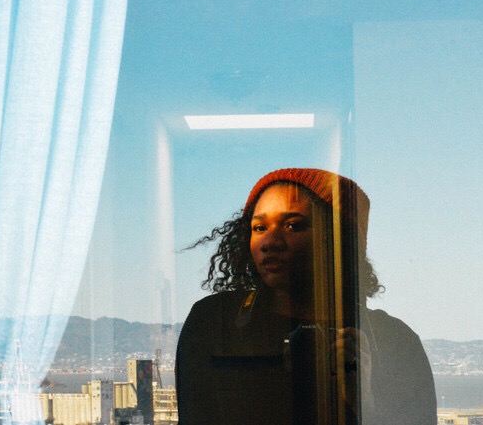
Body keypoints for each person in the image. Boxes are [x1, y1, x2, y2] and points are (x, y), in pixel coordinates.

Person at [176, 168, 436, 424]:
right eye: (259, 227)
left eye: (292, 225)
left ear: (338, 238)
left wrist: (362, 401)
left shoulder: (393, 339)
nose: (270, 242)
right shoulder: (214, 320)